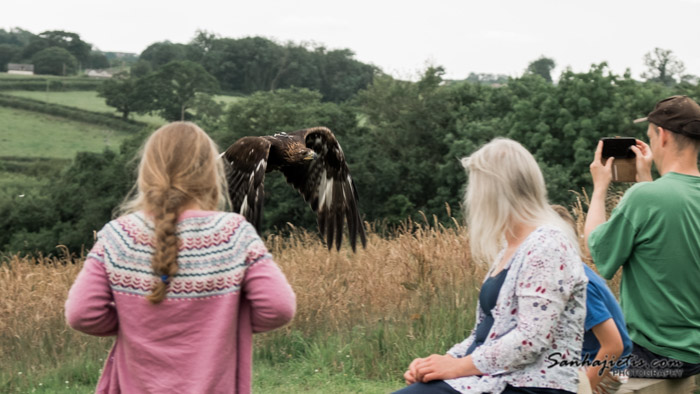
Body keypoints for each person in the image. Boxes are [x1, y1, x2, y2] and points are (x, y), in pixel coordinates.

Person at [65, 122, 296, 393]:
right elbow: (279, 308)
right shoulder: (232, 234)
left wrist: (132, 324)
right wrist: (225, 326)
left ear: (147, 173)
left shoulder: (118, 236)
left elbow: (82, 314)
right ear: (211, 172)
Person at [396, 138, 588, 394]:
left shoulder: (547, 244)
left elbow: (530, 339)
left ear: (492, 191)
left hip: (531, 385)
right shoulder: (510, 250)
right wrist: (438, 363)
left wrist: (456, 367)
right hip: (495, 379)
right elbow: (484, 333)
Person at [585, 95, 700, 379]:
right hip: (695, 352)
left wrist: (600, 187)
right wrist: (646, 180)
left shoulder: (645, 198)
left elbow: (599, 255)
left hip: (654, 354)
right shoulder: (655, 195)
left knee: (564, 361)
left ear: (661, 136)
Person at [552, 205, 632, 394]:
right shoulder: (571, 273)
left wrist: (583, 389)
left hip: (604, 371)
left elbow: (614, 346)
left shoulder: (580, 284)